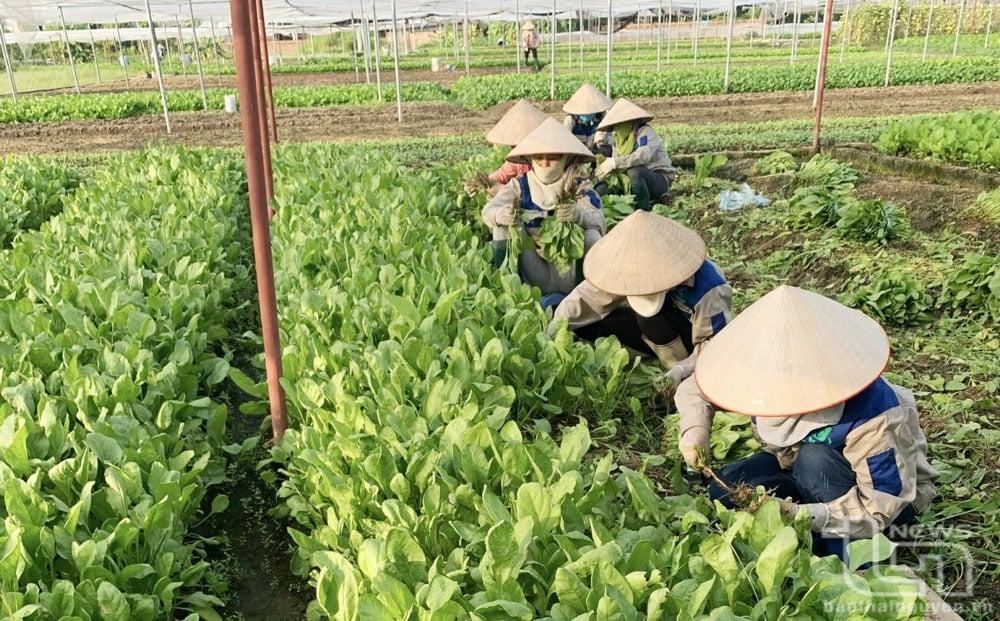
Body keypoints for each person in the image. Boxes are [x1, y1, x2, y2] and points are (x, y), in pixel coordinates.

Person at [675, 285, 938, 561]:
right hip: (800, 467)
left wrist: (799, 514)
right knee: (725, 488)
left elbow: (882, 505)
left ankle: (852, 556)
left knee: (814, 461)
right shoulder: (763, 375)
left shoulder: (876, 417)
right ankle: (814, 527)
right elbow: (698, 387)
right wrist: (695, 432)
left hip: (885, 503)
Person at [548, 210, 732, 379]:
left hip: (689, 336)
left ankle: (671, 364)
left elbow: (714, 344)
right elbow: (590, 296)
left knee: (649, 320)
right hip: (653, 328)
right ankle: (655, 350)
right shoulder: (627, 265)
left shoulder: (709, 288)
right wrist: (558, 324)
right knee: (583, 322)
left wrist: (681, 369)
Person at [481, 117, 605, 297]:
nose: (545, 163)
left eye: (553, 158)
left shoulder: (578, 186)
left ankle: (588, 299)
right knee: (502, 230)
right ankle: (507, 295)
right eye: (539, 157)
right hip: (534, 269)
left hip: (570, 273)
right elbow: (488, 211)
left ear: (566, 158)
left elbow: (600, 221)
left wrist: (580, 216)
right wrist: (502, 215)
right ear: (530, 159)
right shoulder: (519, 185)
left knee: (591, 235)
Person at [593, 98, 677, 211]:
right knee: (603, 188)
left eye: (620, 124)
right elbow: (619, 162)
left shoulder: (645, 132)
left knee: (635, 171)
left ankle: (642, 210)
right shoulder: (619, 139)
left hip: (657, 180)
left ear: (630, 121)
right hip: (632, 183)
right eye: (615, 125)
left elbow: (643, 156)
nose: (617, 128)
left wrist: (615, 163)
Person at [465, 99, 550, 196]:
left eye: (517, 143)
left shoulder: (548, 159)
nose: (513, 147)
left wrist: (507, 189)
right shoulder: (518, 158)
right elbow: (502, 174)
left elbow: (544, 190)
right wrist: (482, 182)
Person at [562, 83, 613, 154]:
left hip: (596, 151)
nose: (586, 113)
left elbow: (608, 139)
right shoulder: (570, 120)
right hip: (577, 153)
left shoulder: (602, 118)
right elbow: (564, 141)